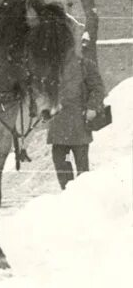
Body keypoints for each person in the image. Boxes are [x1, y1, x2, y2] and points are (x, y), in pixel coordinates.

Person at [47, 35, 105, 189]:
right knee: (61, 164)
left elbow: (98, 89)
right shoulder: (52, 69)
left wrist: (92, 108)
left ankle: (83, 197)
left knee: (82, 168)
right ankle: (67, 195)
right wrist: (47, 107)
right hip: (59, 127)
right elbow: (44, 92)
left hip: (80, 124)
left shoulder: (85, 65)